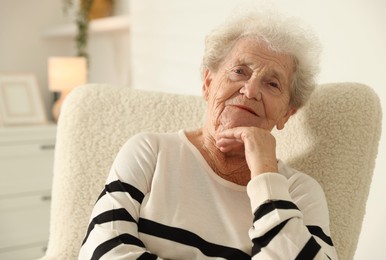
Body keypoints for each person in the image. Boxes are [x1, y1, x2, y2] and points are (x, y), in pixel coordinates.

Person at [79, 9, 338, 260]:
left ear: (286, 114)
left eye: (272, 84)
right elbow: (99, 251)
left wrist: (266, 176)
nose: (250, 91)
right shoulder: (151, 152)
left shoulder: (298, 191)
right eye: (239, 71)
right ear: (207, 83)